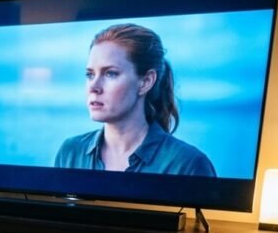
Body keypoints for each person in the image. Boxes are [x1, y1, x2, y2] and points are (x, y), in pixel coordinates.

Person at [54, 24, 216, 176]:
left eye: (110, 73)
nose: (93, 87)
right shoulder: (70, 152)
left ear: (146, 82)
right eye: (90, 75)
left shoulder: (188, 164)